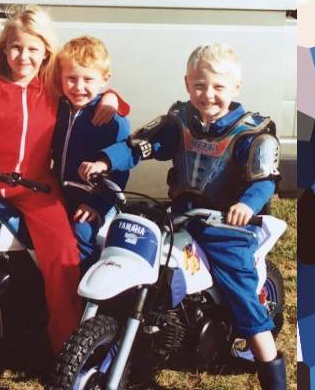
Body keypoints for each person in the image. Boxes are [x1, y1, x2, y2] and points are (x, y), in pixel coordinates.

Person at [82, 43, 286, 389]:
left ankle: (269, 366)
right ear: (187, 83)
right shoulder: (181, 122)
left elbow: (264, 181)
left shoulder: (250, 133)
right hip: (180, 217)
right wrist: (105, 161)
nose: (208, 94)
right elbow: (140, 145)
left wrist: (246, 206)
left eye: (218, 86)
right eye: (200, 85)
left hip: (227, 228)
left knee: (242, 295)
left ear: (236, 87)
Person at [0, 5, 128, 354]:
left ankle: (66, 344)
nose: (24, 57)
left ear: (46, 52)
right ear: (5, 50)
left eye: (33, 49)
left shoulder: (52, 90)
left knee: (63, 254)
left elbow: (96, 92)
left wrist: (112, 98)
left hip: (37, 188)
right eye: (16, 48)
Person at [51, 36, 137, 273]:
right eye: (71, 78)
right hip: (62, 193)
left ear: (104, 79)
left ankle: (86, 283)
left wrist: (97, 205)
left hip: (98, 199)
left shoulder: (112, 120)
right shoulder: (60, 108)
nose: (79, 87)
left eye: (88, 79)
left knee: (81, 233)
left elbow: (121, 170)